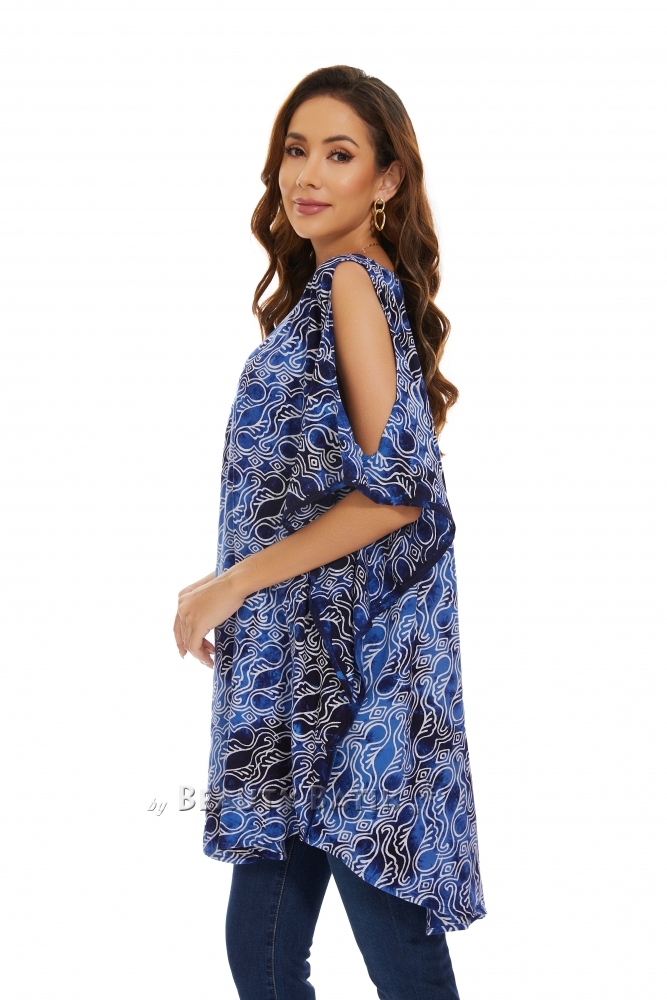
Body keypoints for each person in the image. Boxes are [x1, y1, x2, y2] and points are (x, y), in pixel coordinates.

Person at [174, 65, 486, 1000]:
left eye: (339, 155)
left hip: (351, 681)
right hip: (298, 677)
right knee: (262, 952)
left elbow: (397, 496)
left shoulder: (352, 282)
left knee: (391, 955)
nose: (306, 175)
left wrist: (232, 582)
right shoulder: (334, 289)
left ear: (386, 179)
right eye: (295, 150)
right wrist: (234, 585)